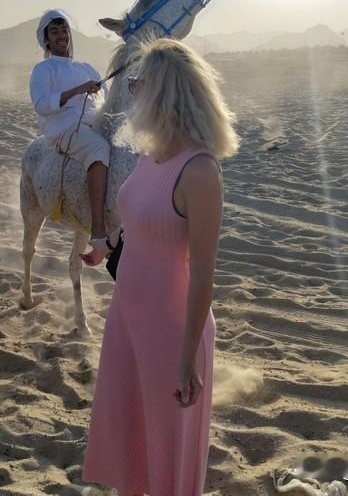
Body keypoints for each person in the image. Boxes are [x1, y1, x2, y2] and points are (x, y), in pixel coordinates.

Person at [83, 38, 240, 495]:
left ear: (165, 93)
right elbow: (138, 217)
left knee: (170, 451)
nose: (132, 94)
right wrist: (107, 246)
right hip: (127, 317)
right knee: (129, 436)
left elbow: (203, 274)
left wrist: (188, 356)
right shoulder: (152, 155)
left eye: (138, 84)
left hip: (172, 333)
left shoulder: (200, 171)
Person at [29, 9, 111, 265]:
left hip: (95, 122)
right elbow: (41, 104)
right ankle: (98, 230)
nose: (61, 35)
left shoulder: (87, 67)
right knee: (98, 149)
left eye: (64, 30)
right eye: (54, 32)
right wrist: (78, 90)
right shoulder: (43, 69)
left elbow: (108, 98)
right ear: (46, 40)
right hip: (65, 129)